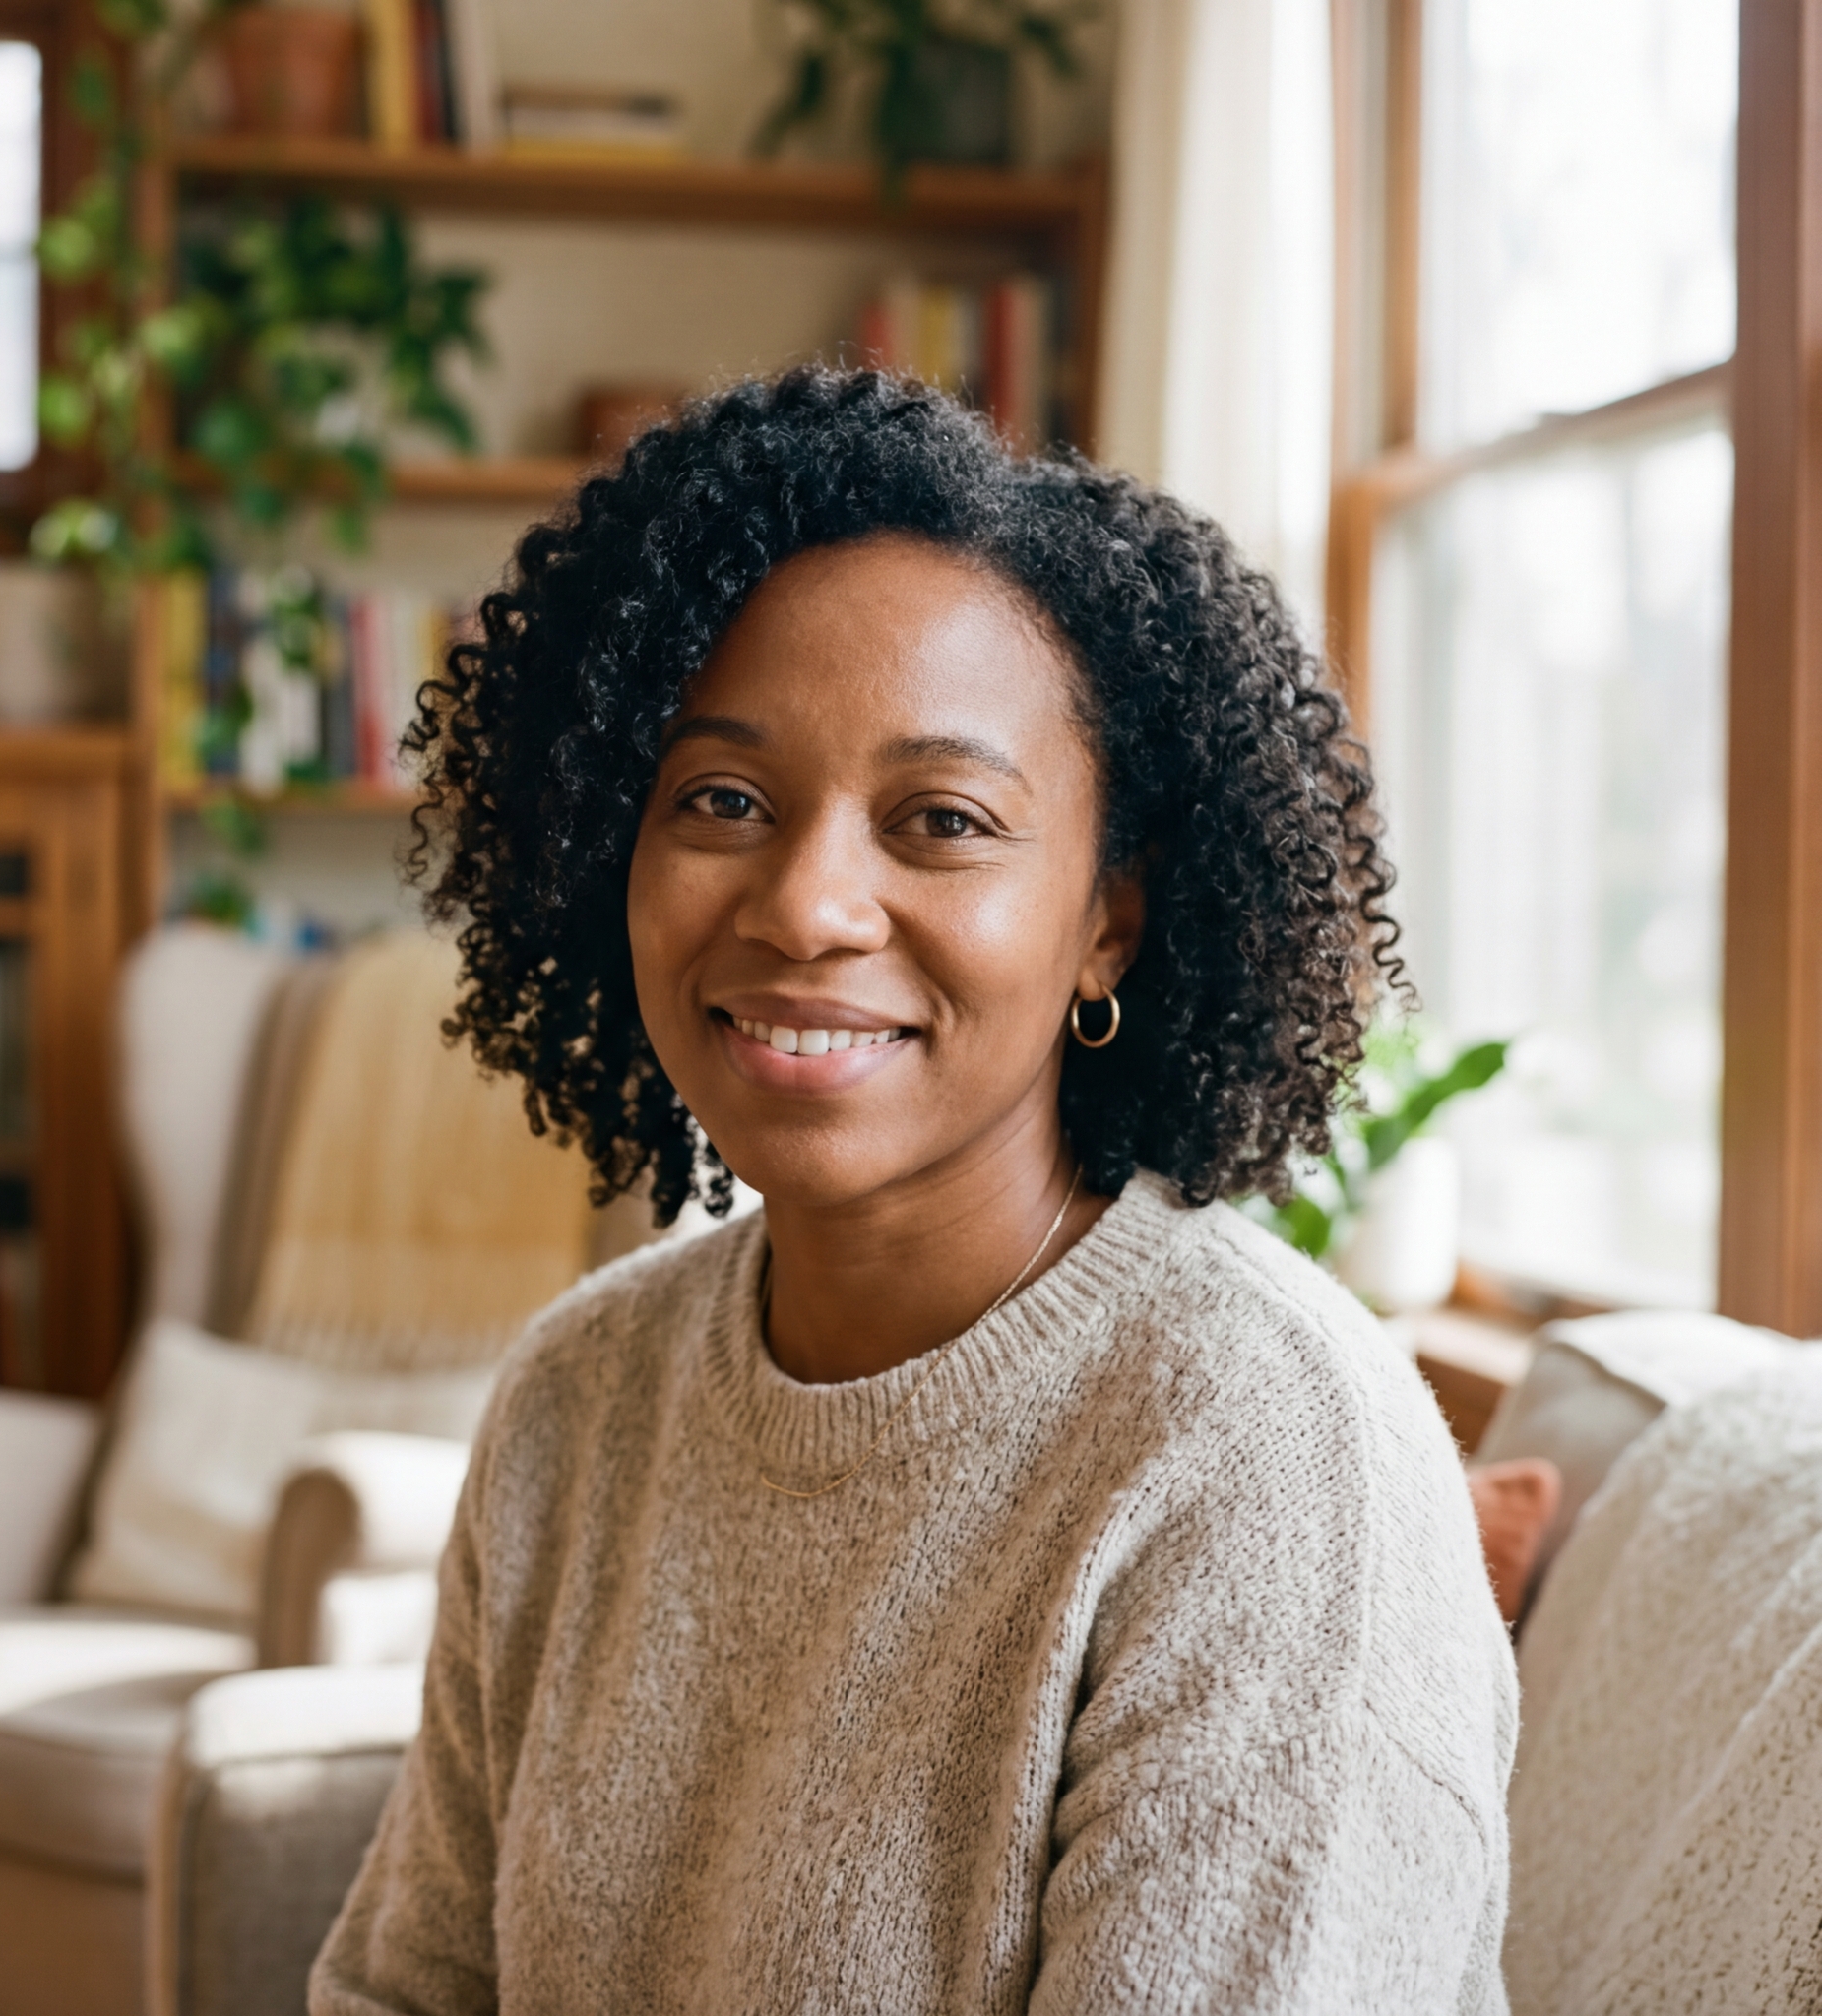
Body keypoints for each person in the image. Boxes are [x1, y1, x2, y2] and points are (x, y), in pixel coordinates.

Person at [310, 369, 1515, 2015]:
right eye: (723, 800)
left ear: (1110, 920)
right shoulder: (578, 1400)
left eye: (942, 821)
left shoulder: (1271, 1456)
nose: (806, 903)